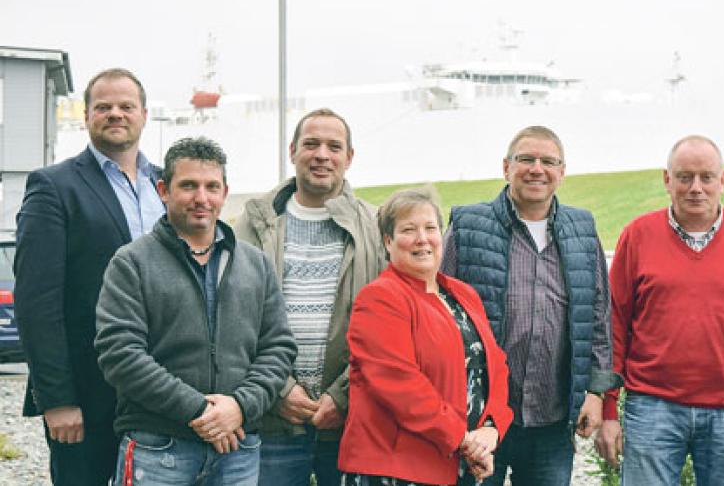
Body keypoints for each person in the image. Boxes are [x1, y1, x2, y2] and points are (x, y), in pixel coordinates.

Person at [94, 137, 297, 485]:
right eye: (188, 185)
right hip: (158, 447)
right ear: (163, 190)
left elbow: (278, 348)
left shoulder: (256, 265)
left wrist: (239, 407)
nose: (201, 198)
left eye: (211, 187)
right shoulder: (131, 263)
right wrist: (200, 411)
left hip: (238, 448)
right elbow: (120, 354)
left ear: (224, 191)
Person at [595, 134, 724, 485]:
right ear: (667, 180)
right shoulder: (638, 234)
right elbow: (614, 327)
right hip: (652, 408)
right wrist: (608, 409)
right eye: (684, 177)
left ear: (722, 181)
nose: (696, 187)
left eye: (706, 177)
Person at [441, 125, 621, 486]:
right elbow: (440, 312)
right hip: (479, 421)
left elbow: (598, 318)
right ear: (506, 166)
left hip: (551, 422)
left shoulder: (582, 230)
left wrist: (596, 392)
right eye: (526, 159)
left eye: (548, 161)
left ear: (562, 172)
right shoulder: (467, 225)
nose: (537, 169)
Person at [13, 68, 165, 485]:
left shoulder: (167, 184)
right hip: (87, 397)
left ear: (144, 114)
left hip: (165, 392)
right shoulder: (54, 186)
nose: (115, 114)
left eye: (126, 106)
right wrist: (57, 399)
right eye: (104, 106)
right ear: (86, 116)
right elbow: (36, 301)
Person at [235, 108, 385, 486]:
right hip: (274, 421)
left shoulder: (376, 225)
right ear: (292, 151)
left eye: (334, 146)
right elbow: (235, 320)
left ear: (349, 158)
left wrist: (342, 396)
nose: (322, 155)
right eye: (311, 144)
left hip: (352, 421)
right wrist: (279, 390)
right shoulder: (253, 224)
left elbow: (388, 328)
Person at [338, 189, 513, 485]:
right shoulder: (379, 298)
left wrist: (491, 430)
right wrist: (462, 439)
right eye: (408, 230)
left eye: (430, 228)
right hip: (397, 469)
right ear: (387, 241)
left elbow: (496, 366)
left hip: (462, 464)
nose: (422, 238)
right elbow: (400, 384)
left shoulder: (463, 294)